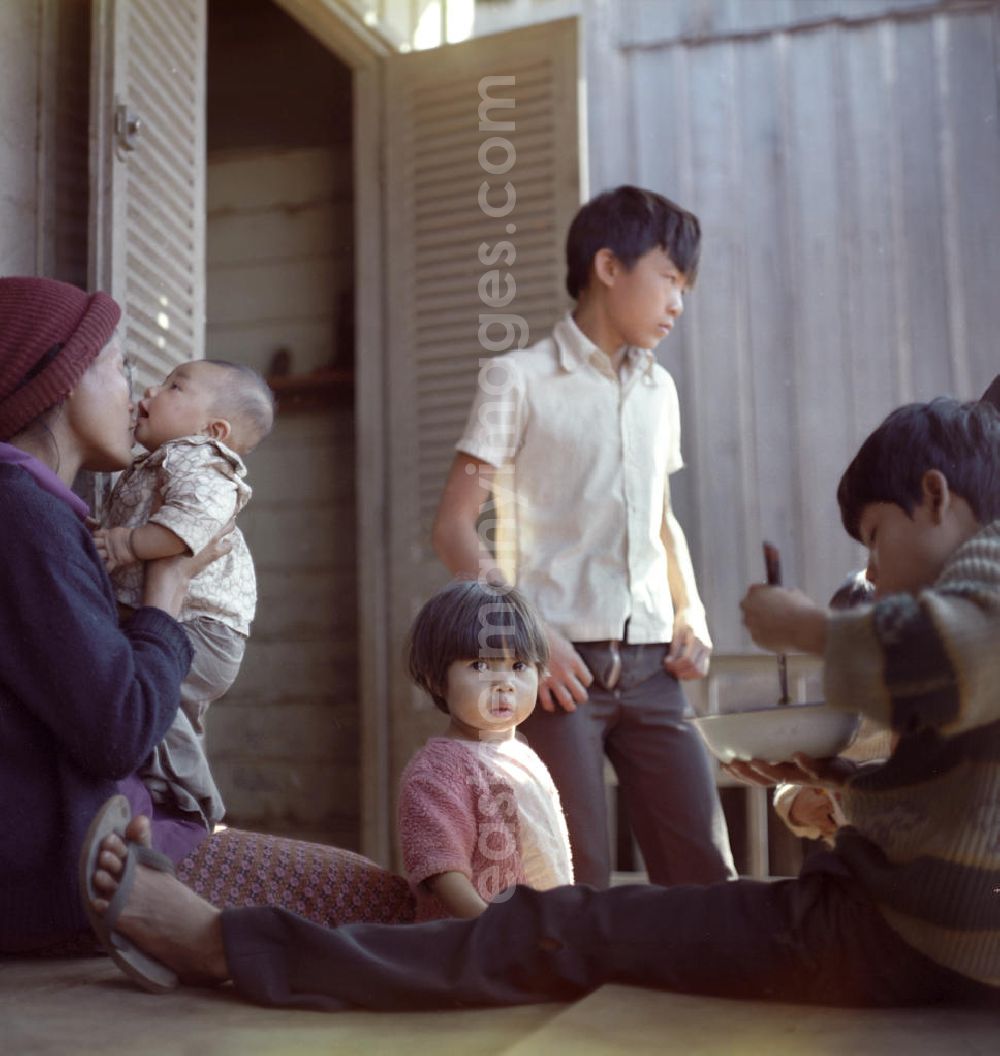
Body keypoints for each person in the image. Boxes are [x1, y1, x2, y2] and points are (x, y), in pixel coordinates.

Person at [81, 389, 1000, 1007]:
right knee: (563, 926)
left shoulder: (984, 567)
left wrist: (802, 626)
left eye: (876, 539)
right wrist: (840, 783)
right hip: (915, 926)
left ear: (935, 497)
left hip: (907, 934)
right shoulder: (444, 764)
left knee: (563, 928)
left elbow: (958, 653)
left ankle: (225, 948)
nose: (872, 573)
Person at [0, 277, 410, 956]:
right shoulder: (24, 515)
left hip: (107, 838)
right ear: (66, 379)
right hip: (89, 866)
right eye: (120, 364)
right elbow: (121, 728)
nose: (137, 392)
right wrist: (169, 577)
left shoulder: (43, 511)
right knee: (382, 899)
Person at [432, 185, 734, 887]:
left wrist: (691, 610)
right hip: (557, 668)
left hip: (657, 666)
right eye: (669, 278)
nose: (679, 302)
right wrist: (531, 635)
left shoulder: (661, 391)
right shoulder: (520, 379)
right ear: (608, 266)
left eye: (685, 286)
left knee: (705, 871)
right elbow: (452, 527)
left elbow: (659, 517)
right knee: (573, 877)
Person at [93, 359, 274, 829]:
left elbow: (193, 524)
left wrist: (125, 543)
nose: (151, 389)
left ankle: (198, 803)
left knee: (150, 701)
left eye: (175, 387)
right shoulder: (160, 462)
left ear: (214, 429)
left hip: (202, 629)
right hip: (186, 624)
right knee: (169, 720)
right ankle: (162, 801)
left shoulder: (200, 459)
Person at [399, 580, 572, 920]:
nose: (503, 683)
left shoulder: (522, 754)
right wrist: (495, 933)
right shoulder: (437, 771)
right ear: (436, 680)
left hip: (534, 941)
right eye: (480, 666)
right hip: (471, 951)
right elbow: (442, 871)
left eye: (518, 666)